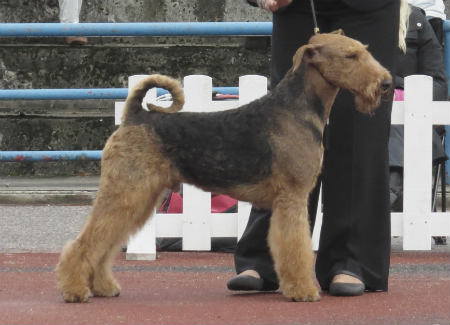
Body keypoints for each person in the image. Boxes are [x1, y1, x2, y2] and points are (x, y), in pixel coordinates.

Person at [227, 0, 400, 297]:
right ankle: (265, 257)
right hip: (297, 7)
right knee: (286, 127)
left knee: (358, 130)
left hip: (368, 8)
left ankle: (352, 259)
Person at [389, 4, 448, 212]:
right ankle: (390, 195)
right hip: (368, 113)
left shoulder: (416, 20)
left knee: (400, 119)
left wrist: (400, 90)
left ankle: (387, 195)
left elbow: (438, 85)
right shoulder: (352, 18)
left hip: (414, 116)